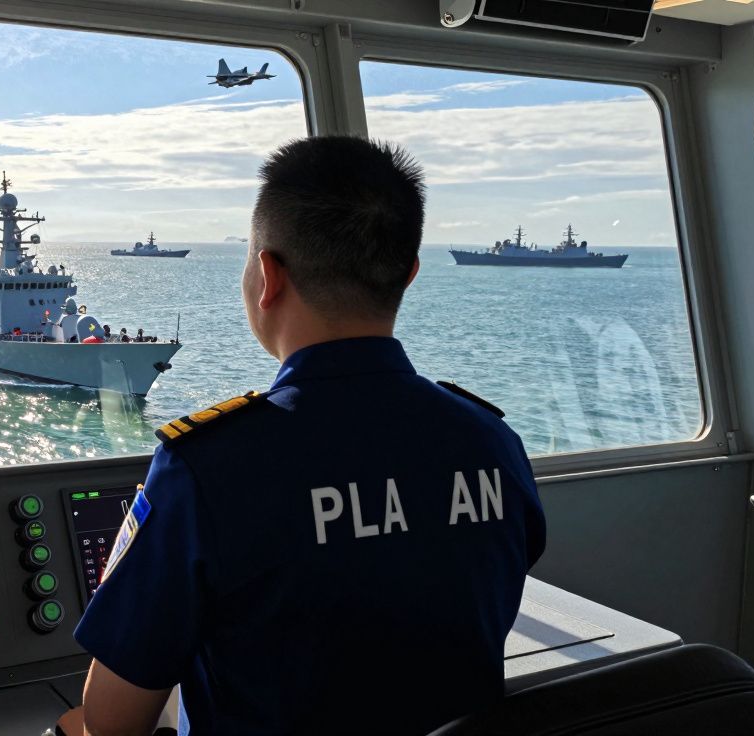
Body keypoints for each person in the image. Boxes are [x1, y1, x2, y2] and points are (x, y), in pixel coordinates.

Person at [69, 137, 546, 736]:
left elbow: (113, 721)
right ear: (409, 275)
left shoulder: (207, 467)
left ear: (268, 275)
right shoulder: (492, 443)